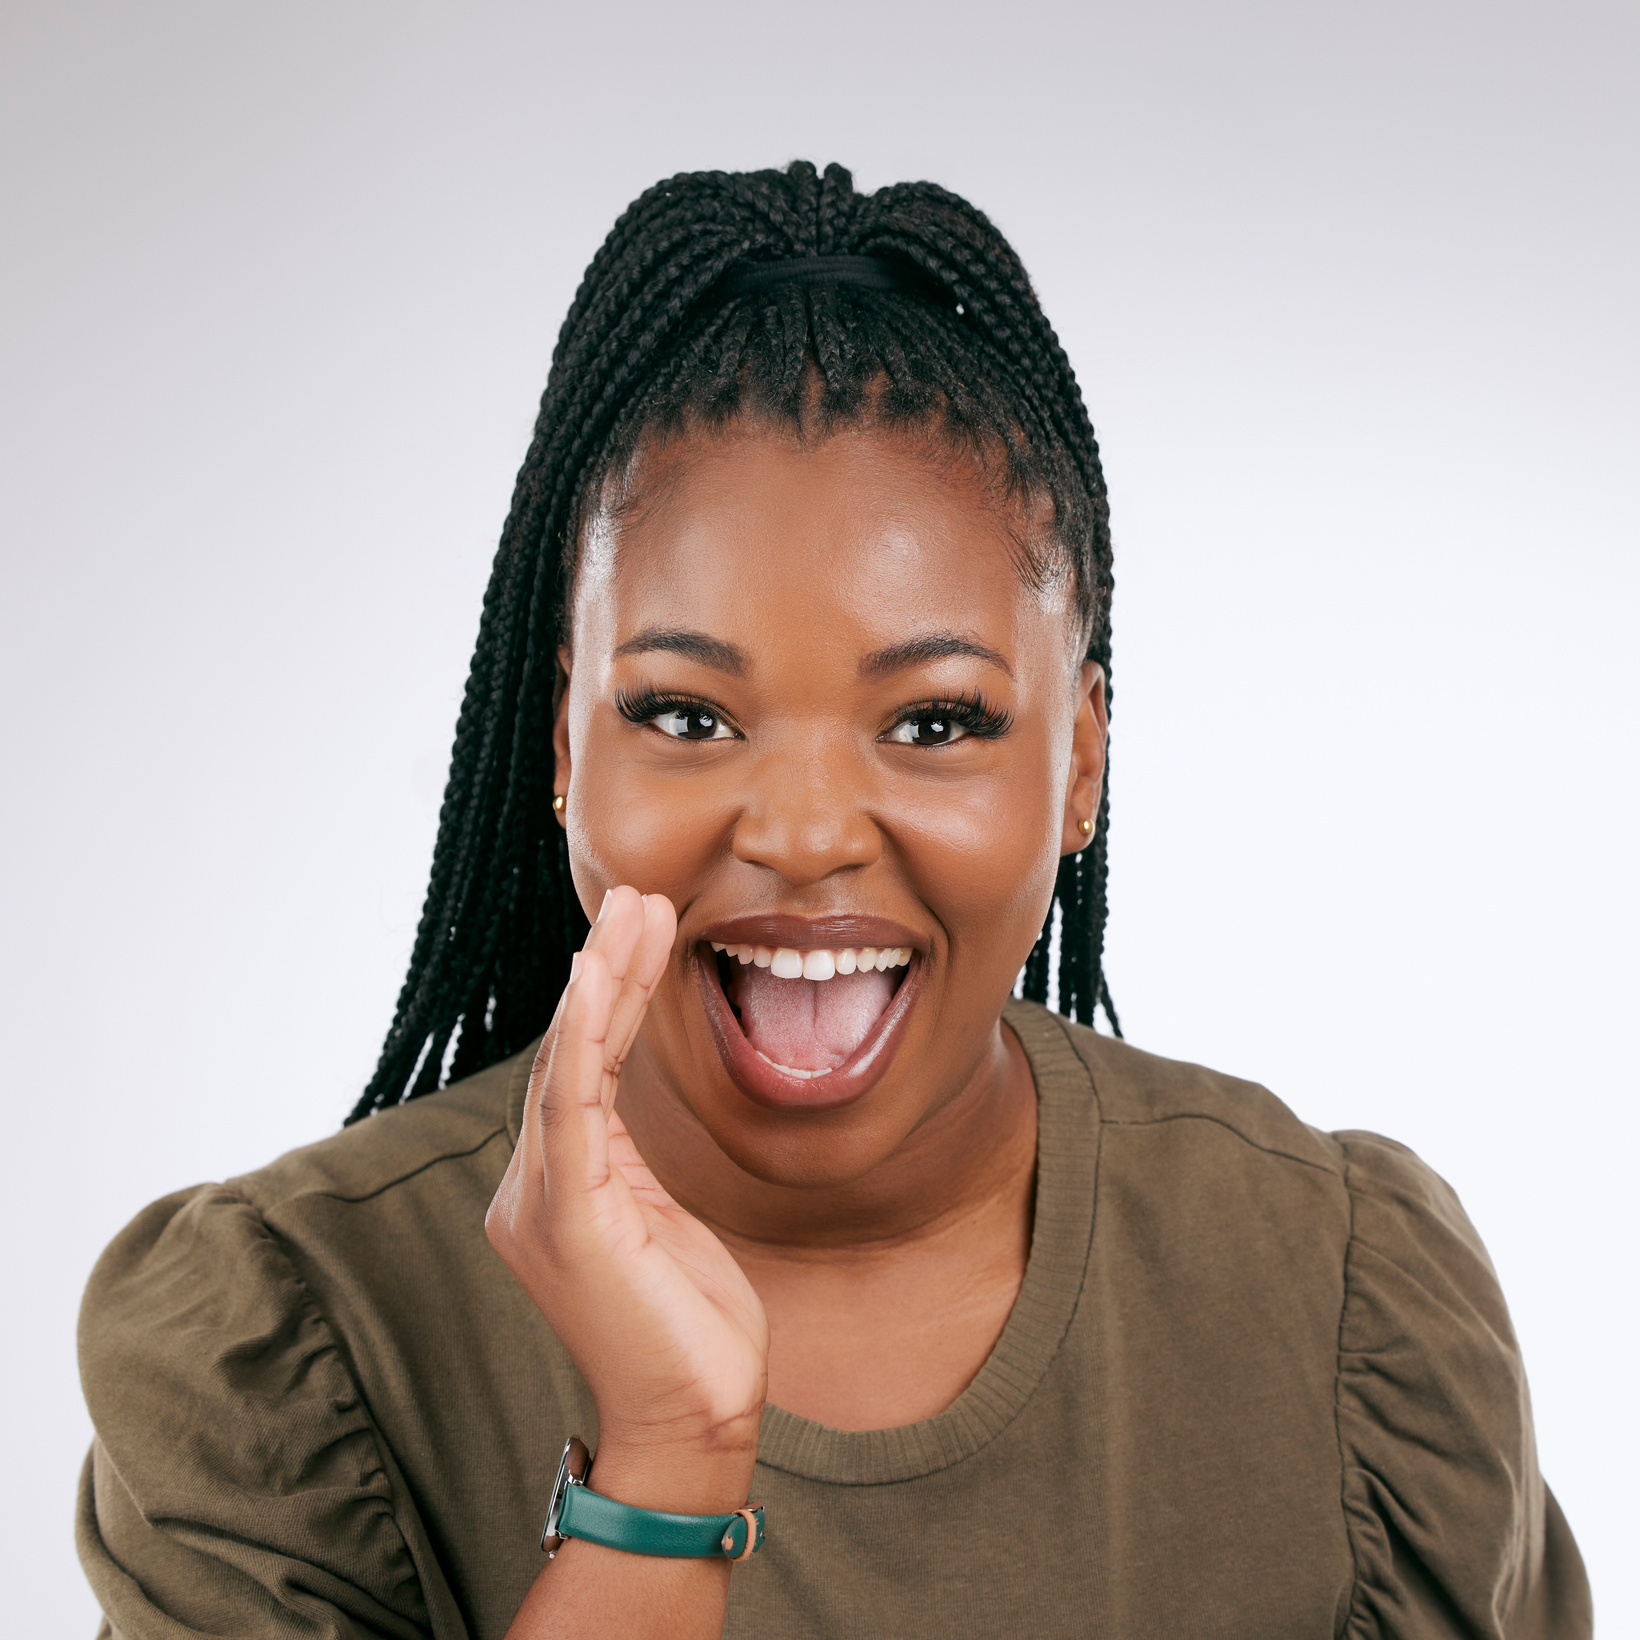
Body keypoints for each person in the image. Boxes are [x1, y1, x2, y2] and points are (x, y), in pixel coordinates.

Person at [76, 161, 1591, 1640]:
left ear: (1082, 771)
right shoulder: (292, 1341)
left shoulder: (1342, 1297)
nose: (802, 833)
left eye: (936, 721)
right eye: (684, 714)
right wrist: (663, 1468)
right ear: (558, 750)